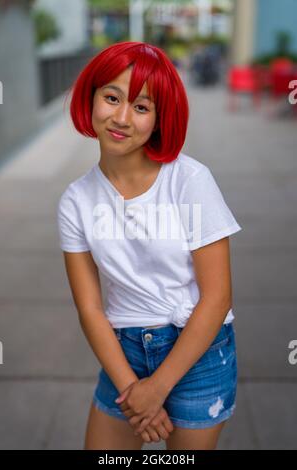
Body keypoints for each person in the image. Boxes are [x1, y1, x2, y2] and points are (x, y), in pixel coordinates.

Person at [57, 41, 242, 450]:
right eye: (111, 98)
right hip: (123, 356)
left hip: (199, 352)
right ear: (91, 99)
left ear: (159, 120)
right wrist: (134, 389)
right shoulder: (76, 200)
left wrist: (158, 386)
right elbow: (89, 308)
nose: (121, 117)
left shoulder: (189, 181)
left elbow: (217, 297)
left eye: (141, 107)